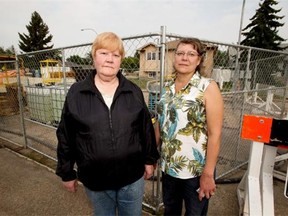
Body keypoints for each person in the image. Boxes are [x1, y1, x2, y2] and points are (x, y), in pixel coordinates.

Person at [56, 32, 159, 216]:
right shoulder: (76, 93)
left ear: (121, 61)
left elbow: (145, 128)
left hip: (132, 179)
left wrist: (150, 160)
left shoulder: (133, 91)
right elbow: (66, 135)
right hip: (97, 181)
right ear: (94, 56)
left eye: (116, 55)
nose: (110, 60)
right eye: (104, 53)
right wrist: (67, 172)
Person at [154, 38, 223, 216]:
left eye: (191, 54)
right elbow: (160, 125)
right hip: (169, 168)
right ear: (174, 57)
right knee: (170, 211)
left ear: (199, 60)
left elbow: (215, 135)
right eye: (180, 53)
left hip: (196, 171)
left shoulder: (208, 87)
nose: (184, 58)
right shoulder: (167, 89)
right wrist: (151, 156)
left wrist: (208, 174)